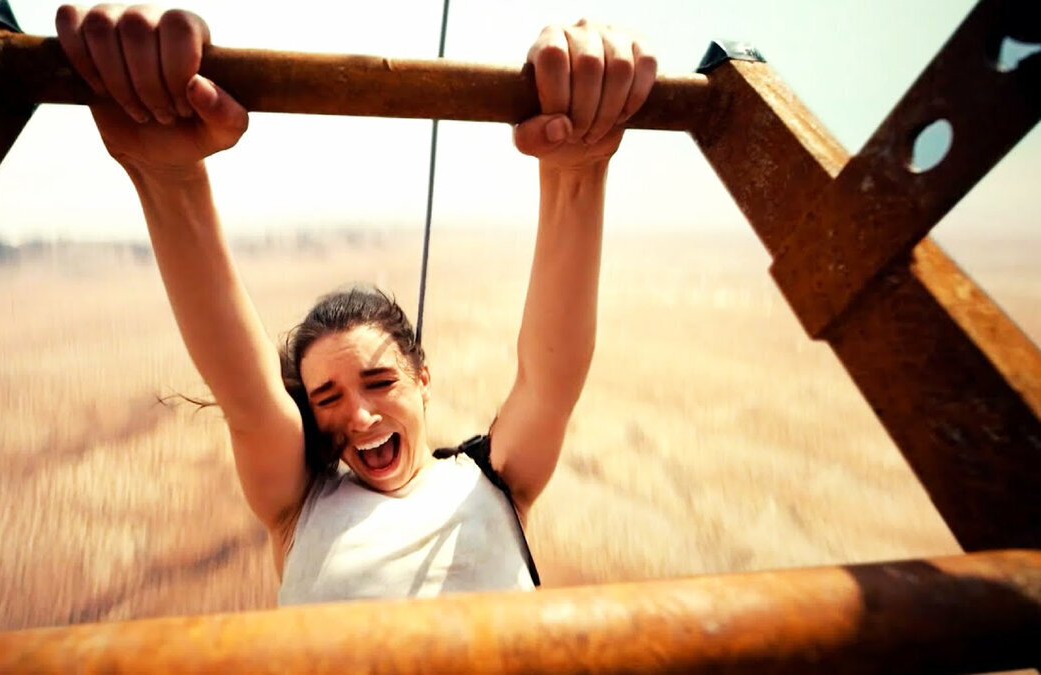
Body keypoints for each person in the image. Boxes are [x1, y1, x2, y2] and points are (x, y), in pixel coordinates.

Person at [55, 5, 657, 605]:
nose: (361, 417)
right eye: (327, 398)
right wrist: (169, 181)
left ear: (423, 378)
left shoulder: (497, 480)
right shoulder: (299, 508)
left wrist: (578, 172)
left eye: (380, 381)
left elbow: (550, 380)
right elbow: (247, 396)